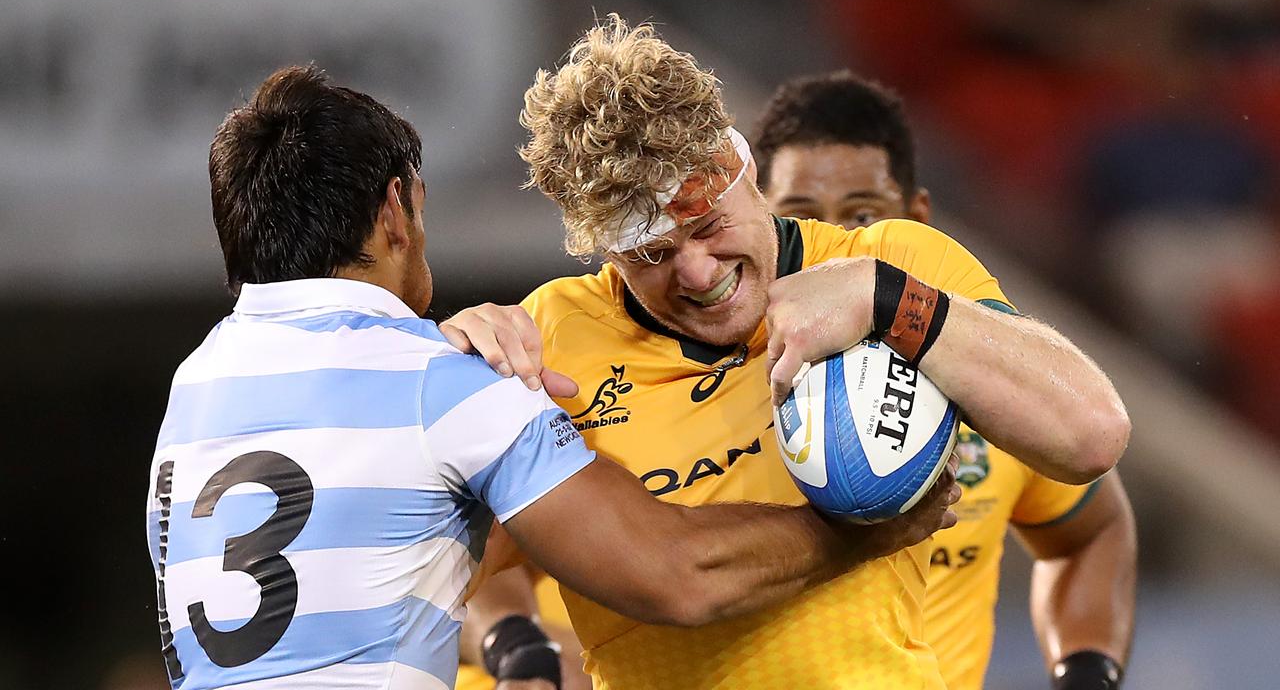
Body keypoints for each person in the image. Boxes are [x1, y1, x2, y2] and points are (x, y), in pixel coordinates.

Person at [143, 65, 963, 690]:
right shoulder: (446, 384)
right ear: (396, 209)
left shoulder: (192, 396)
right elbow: (677, 574)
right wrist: (874, 527)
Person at [455, 15, 1130, 689]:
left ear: (742, 167)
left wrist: (883, 300)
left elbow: (1090, 436)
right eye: (651, 255)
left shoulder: (888, 263)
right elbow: (441, 574)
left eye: (708, 225)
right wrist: (435, 386)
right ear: (604, 250)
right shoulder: (550, 340)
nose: (697, 273)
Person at [754, 70, 1137, 690]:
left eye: (862, 215)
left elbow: (1092, 531)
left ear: (915, 219)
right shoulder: (712, 379)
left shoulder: (993, 390)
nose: (837, 247)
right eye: (803, 219)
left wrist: (1085, 671)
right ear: (761, 222)